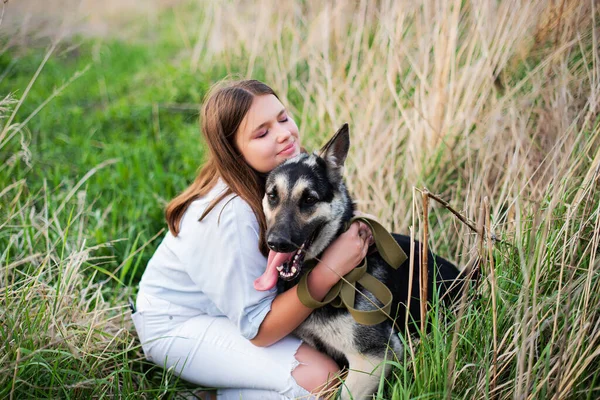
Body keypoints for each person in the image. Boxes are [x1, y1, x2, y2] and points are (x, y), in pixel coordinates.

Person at [132, 79, 373, 400]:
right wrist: (327, 272)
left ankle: (218, 390)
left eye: (283, 118)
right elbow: (259, 330)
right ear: (233, 151)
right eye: (262, 133)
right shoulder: (228, 214)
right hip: (179, 326)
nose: (283, 133)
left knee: (333, 363)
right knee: (323, 378)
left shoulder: (277, 176)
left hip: (228, 311)